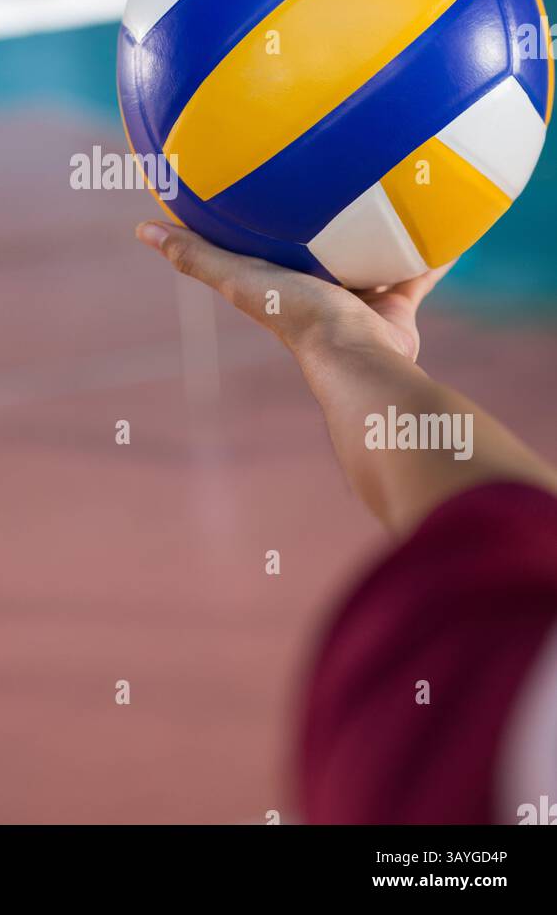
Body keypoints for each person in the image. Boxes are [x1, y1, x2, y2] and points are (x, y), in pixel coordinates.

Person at [137, 220, 557, 825]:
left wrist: (339, 339)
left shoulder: (450, 745)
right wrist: (346, 342)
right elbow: (495, 528)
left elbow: (490, 531)